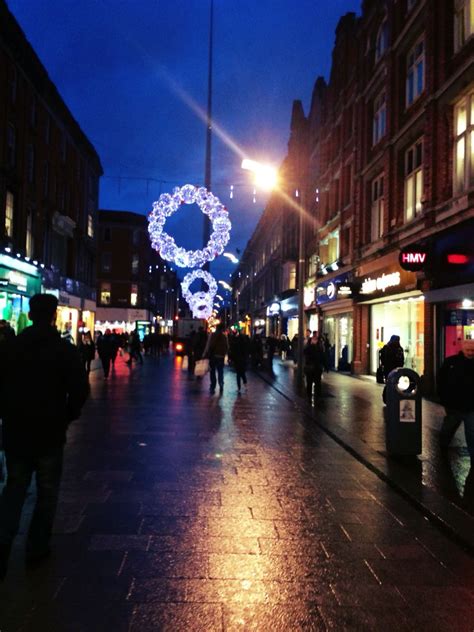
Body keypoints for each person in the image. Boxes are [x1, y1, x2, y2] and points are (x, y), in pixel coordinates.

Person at [0, 293, 89, 580]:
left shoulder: (11, 347)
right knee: (47, 492)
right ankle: (36, 548)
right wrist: (66, 416)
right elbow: (79, 389)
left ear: (30, 312)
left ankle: (2, 544)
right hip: (50, 431)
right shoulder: (63, 350)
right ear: (53, 315)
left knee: (14, 487)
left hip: (16, 430)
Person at [437, 338, 474, 459]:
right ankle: (442, 448)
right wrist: (443, 400)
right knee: (448, 430)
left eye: (473, 350)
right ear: (462, 349)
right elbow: (441, 381)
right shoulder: (451, 363)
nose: (470, 353)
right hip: (454, 405)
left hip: (471, 406)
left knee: (471, 433)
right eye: (468, 350)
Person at [203, 324, 229, 393]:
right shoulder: (224, 336)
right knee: (220, 371)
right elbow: (227, 346)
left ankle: (213, 385)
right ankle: (221, 383)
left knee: (212, 371)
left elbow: (208, 345)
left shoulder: (212, 335)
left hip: (213, 356)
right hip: (221, 356)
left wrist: (204, 353)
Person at [304, 334, 325, 402]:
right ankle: (311, 396)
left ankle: (316, 396)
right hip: (312, 368)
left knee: (316, 382)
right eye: (313, 339)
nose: (314, 341)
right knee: (311, 382)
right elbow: (305, 353)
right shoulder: (311, 347)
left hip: (315, 368)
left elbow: (322, 357)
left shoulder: (319, 348)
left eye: (315, 340)